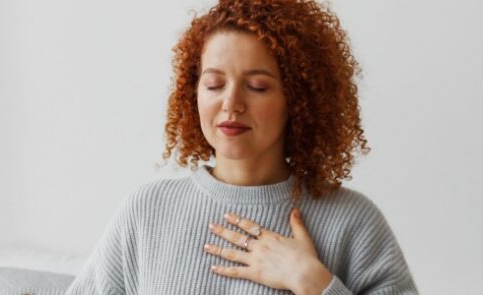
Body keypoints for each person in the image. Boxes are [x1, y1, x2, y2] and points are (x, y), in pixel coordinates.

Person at [65, 0, 417, 294]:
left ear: (297, 100)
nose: (231, 103)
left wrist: (313, 282)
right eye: (214, 84)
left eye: (258, 87)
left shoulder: (353, 222)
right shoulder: (146, 211)